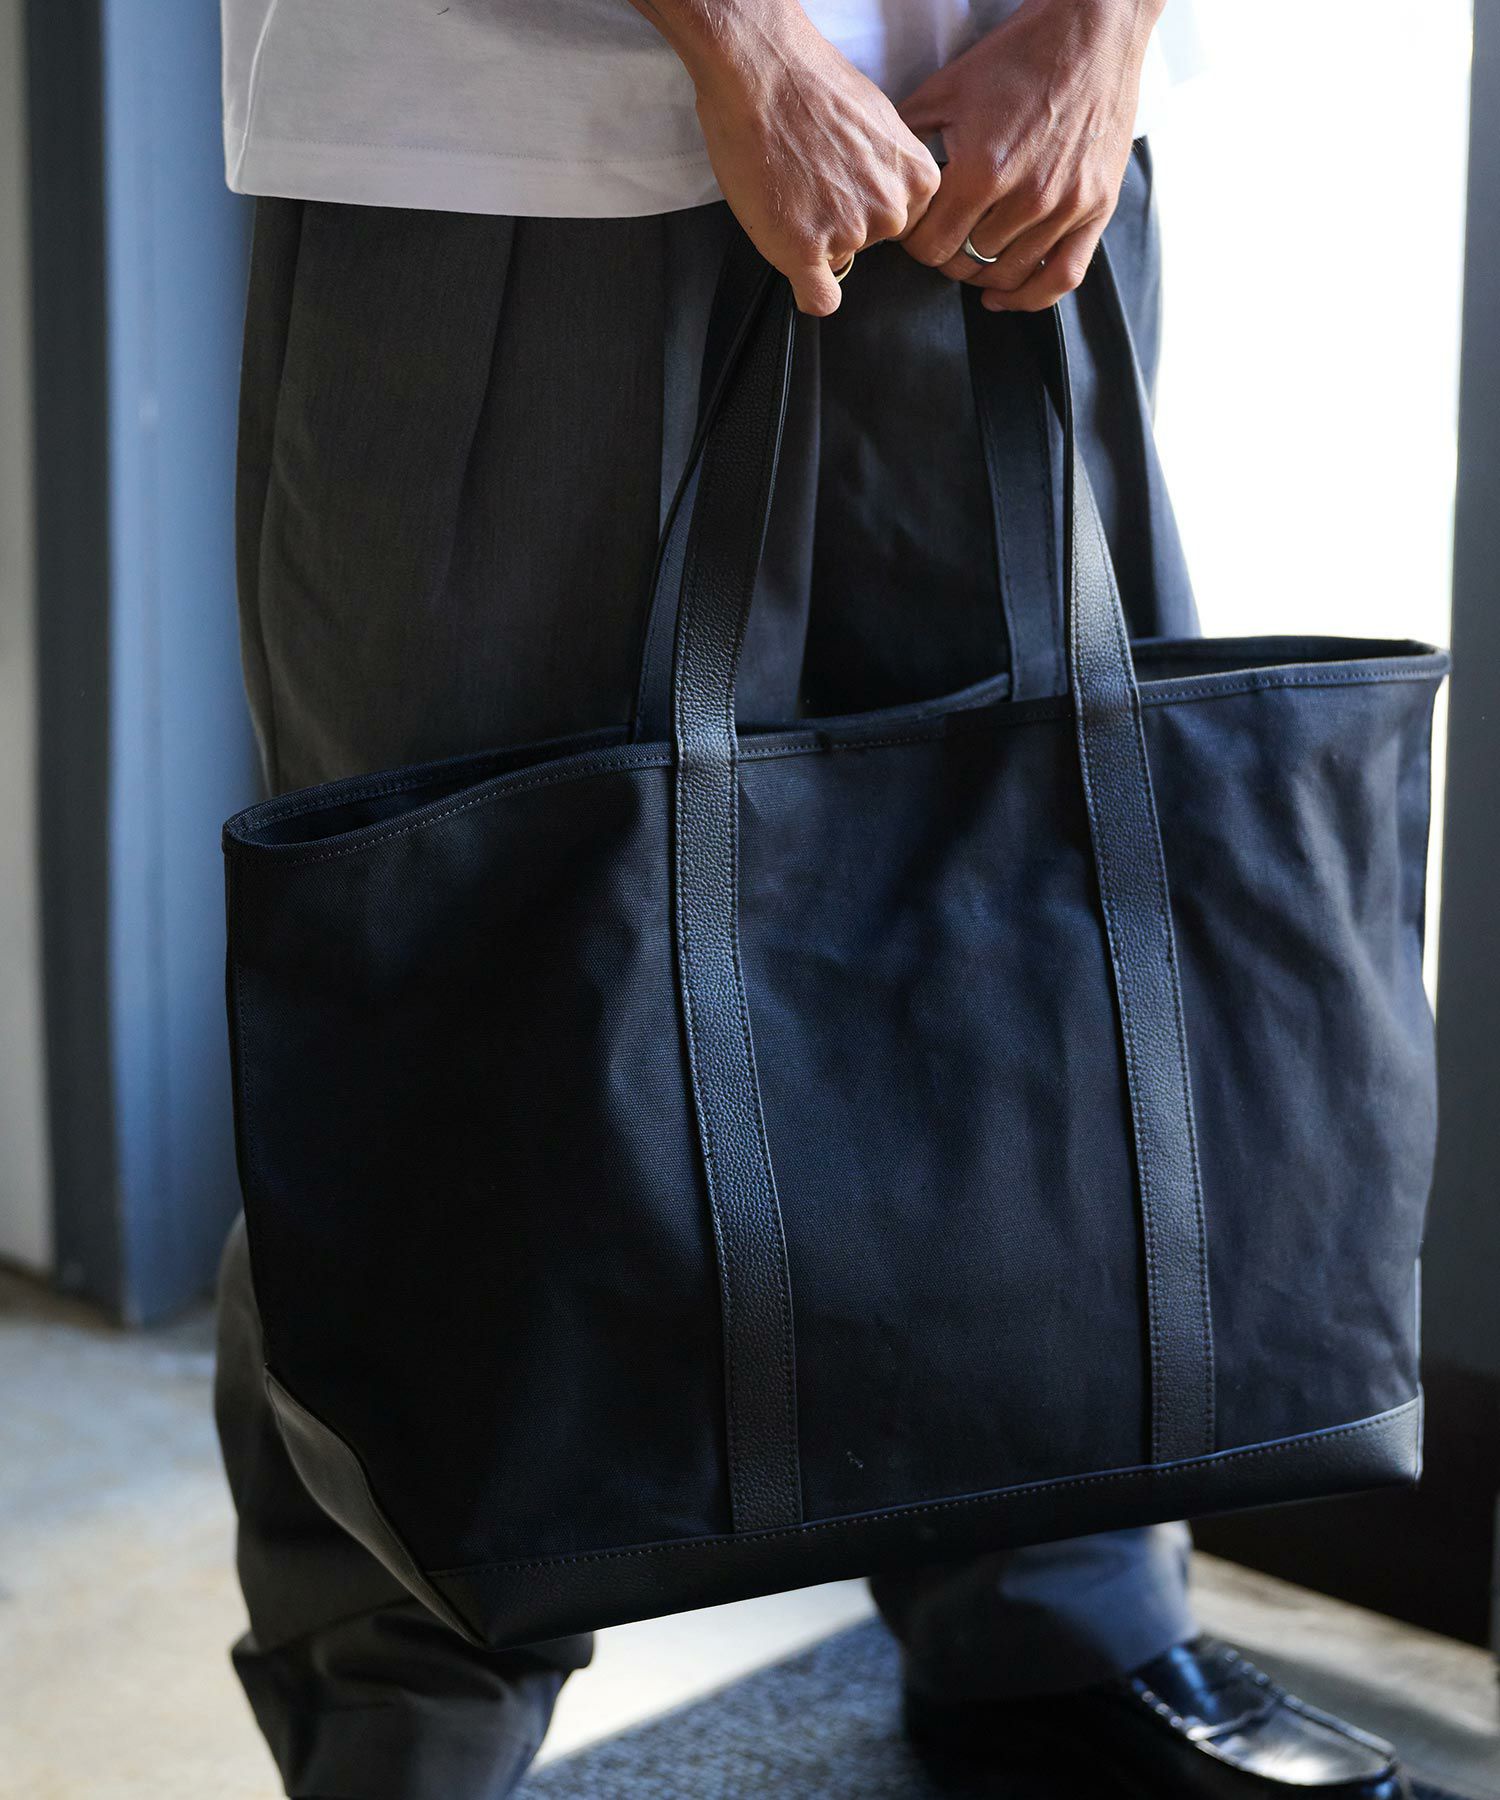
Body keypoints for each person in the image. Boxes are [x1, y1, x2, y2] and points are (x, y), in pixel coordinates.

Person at [213, 3, 1409, 1796]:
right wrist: (746, 46)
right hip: (510, 134)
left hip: (1003, 124)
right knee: (466, 971)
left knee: (1035, 946)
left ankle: (1052, 1620)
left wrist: (1101, 33)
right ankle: (404, 1732)